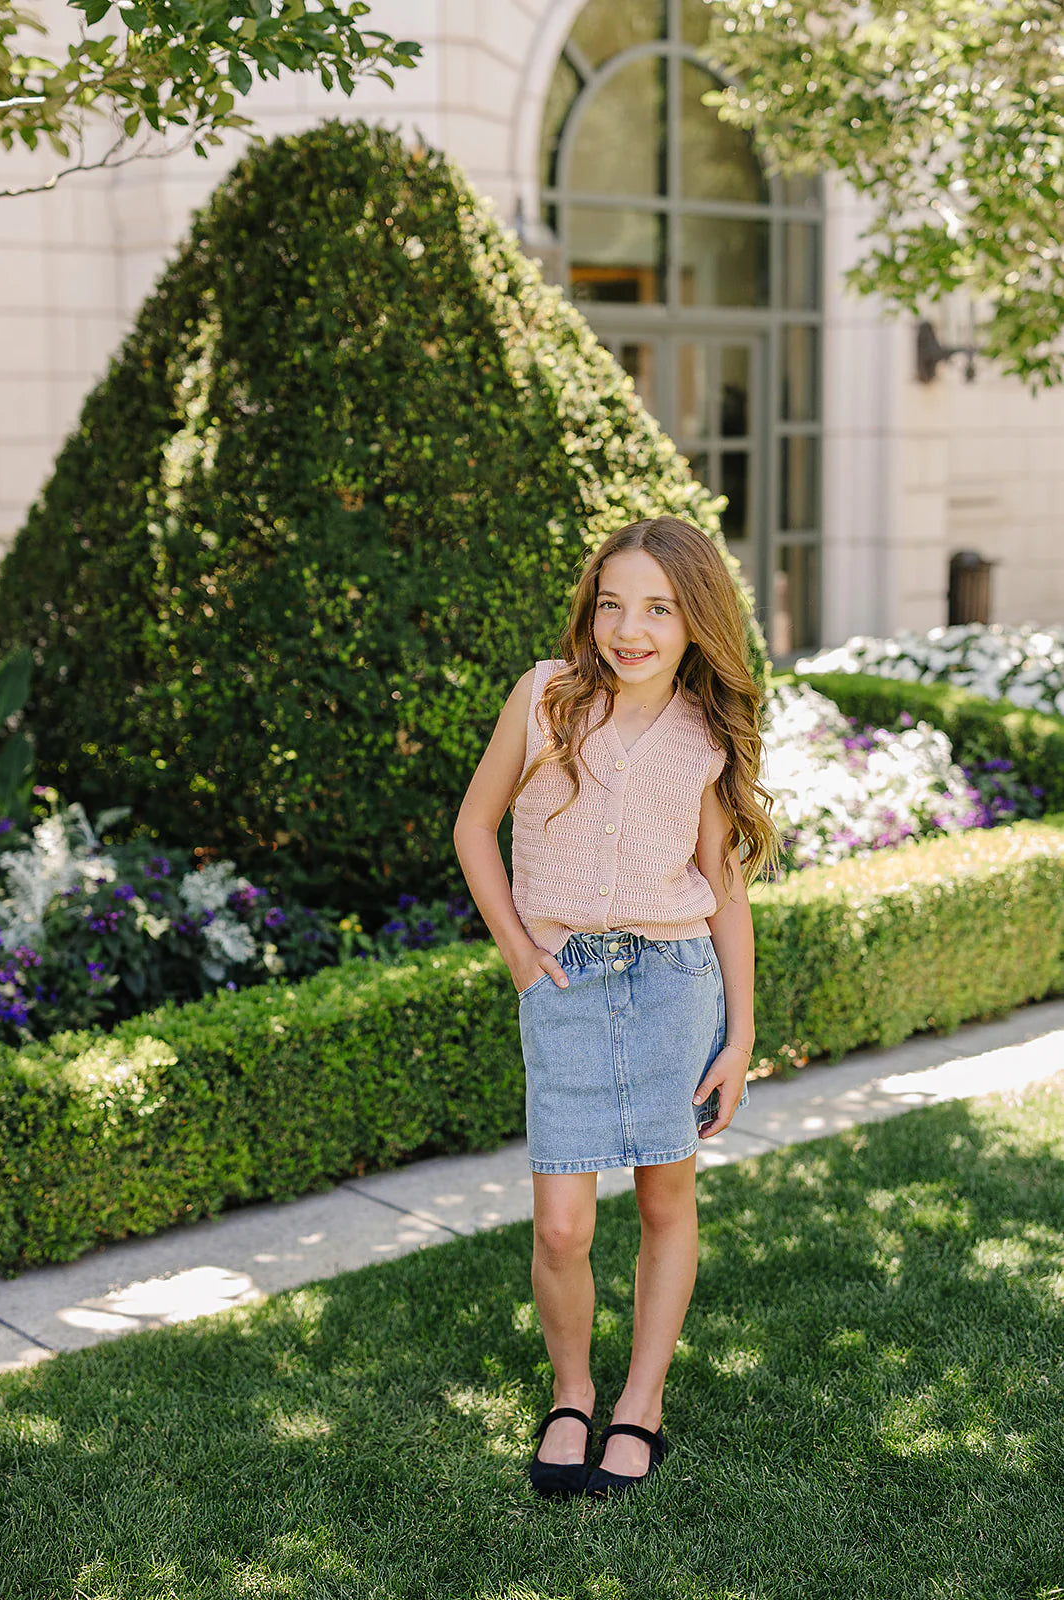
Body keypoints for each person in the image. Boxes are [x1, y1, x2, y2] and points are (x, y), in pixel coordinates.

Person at [452, 514, 781, 1501]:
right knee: (560, 1222)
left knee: (661, 1197)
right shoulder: (543, 698)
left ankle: (639, 1404)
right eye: (612, 604)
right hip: (562, 982)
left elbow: (722, 887)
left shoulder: (701, 736)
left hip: (674, 984)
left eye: (656, 608)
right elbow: (474, 827)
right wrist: (518, 952)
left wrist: (740, 1036)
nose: (628, 629)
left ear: (693, 622)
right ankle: (570, 1390)